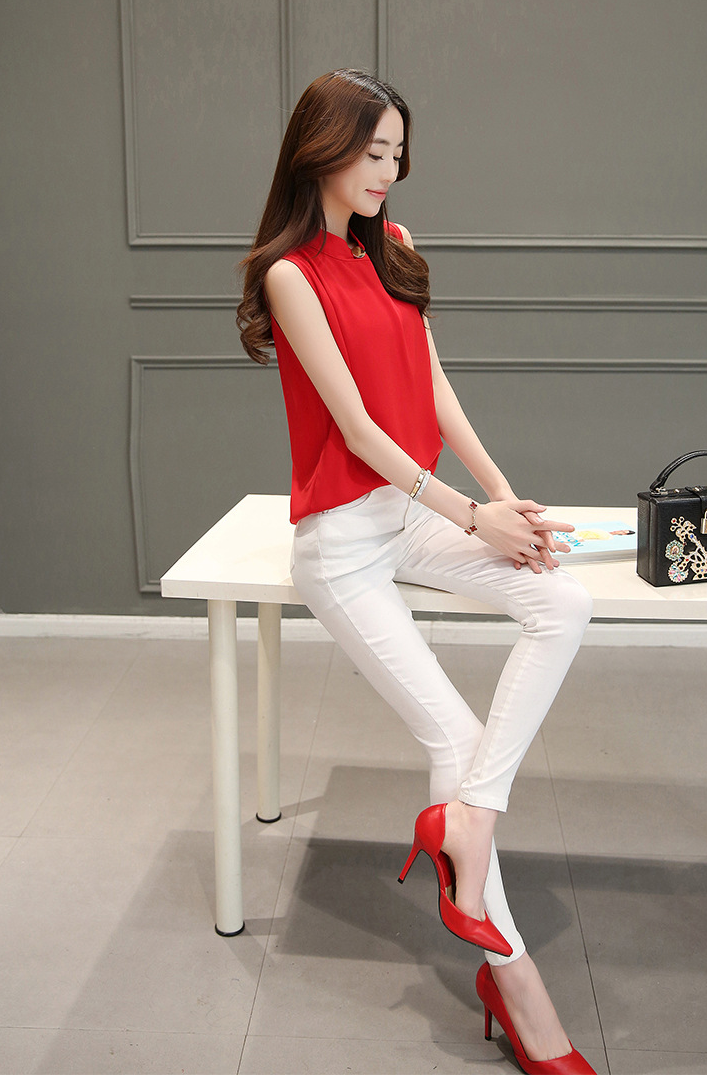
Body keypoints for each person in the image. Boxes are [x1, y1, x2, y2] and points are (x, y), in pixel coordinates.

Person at [237, 68, 596, 1076]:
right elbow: (357, 429)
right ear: (321, 148)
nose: (387, 173)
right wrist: (469, 516)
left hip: (412, 515)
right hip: (344, 541)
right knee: (458, 736)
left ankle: (465, 828)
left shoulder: (391, 243)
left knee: (562, 599)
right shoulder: (290, 275)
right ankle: (515, 980)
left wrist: (504, 499)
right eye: (372, 152)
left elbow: (432, 386)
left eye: (398, 154)